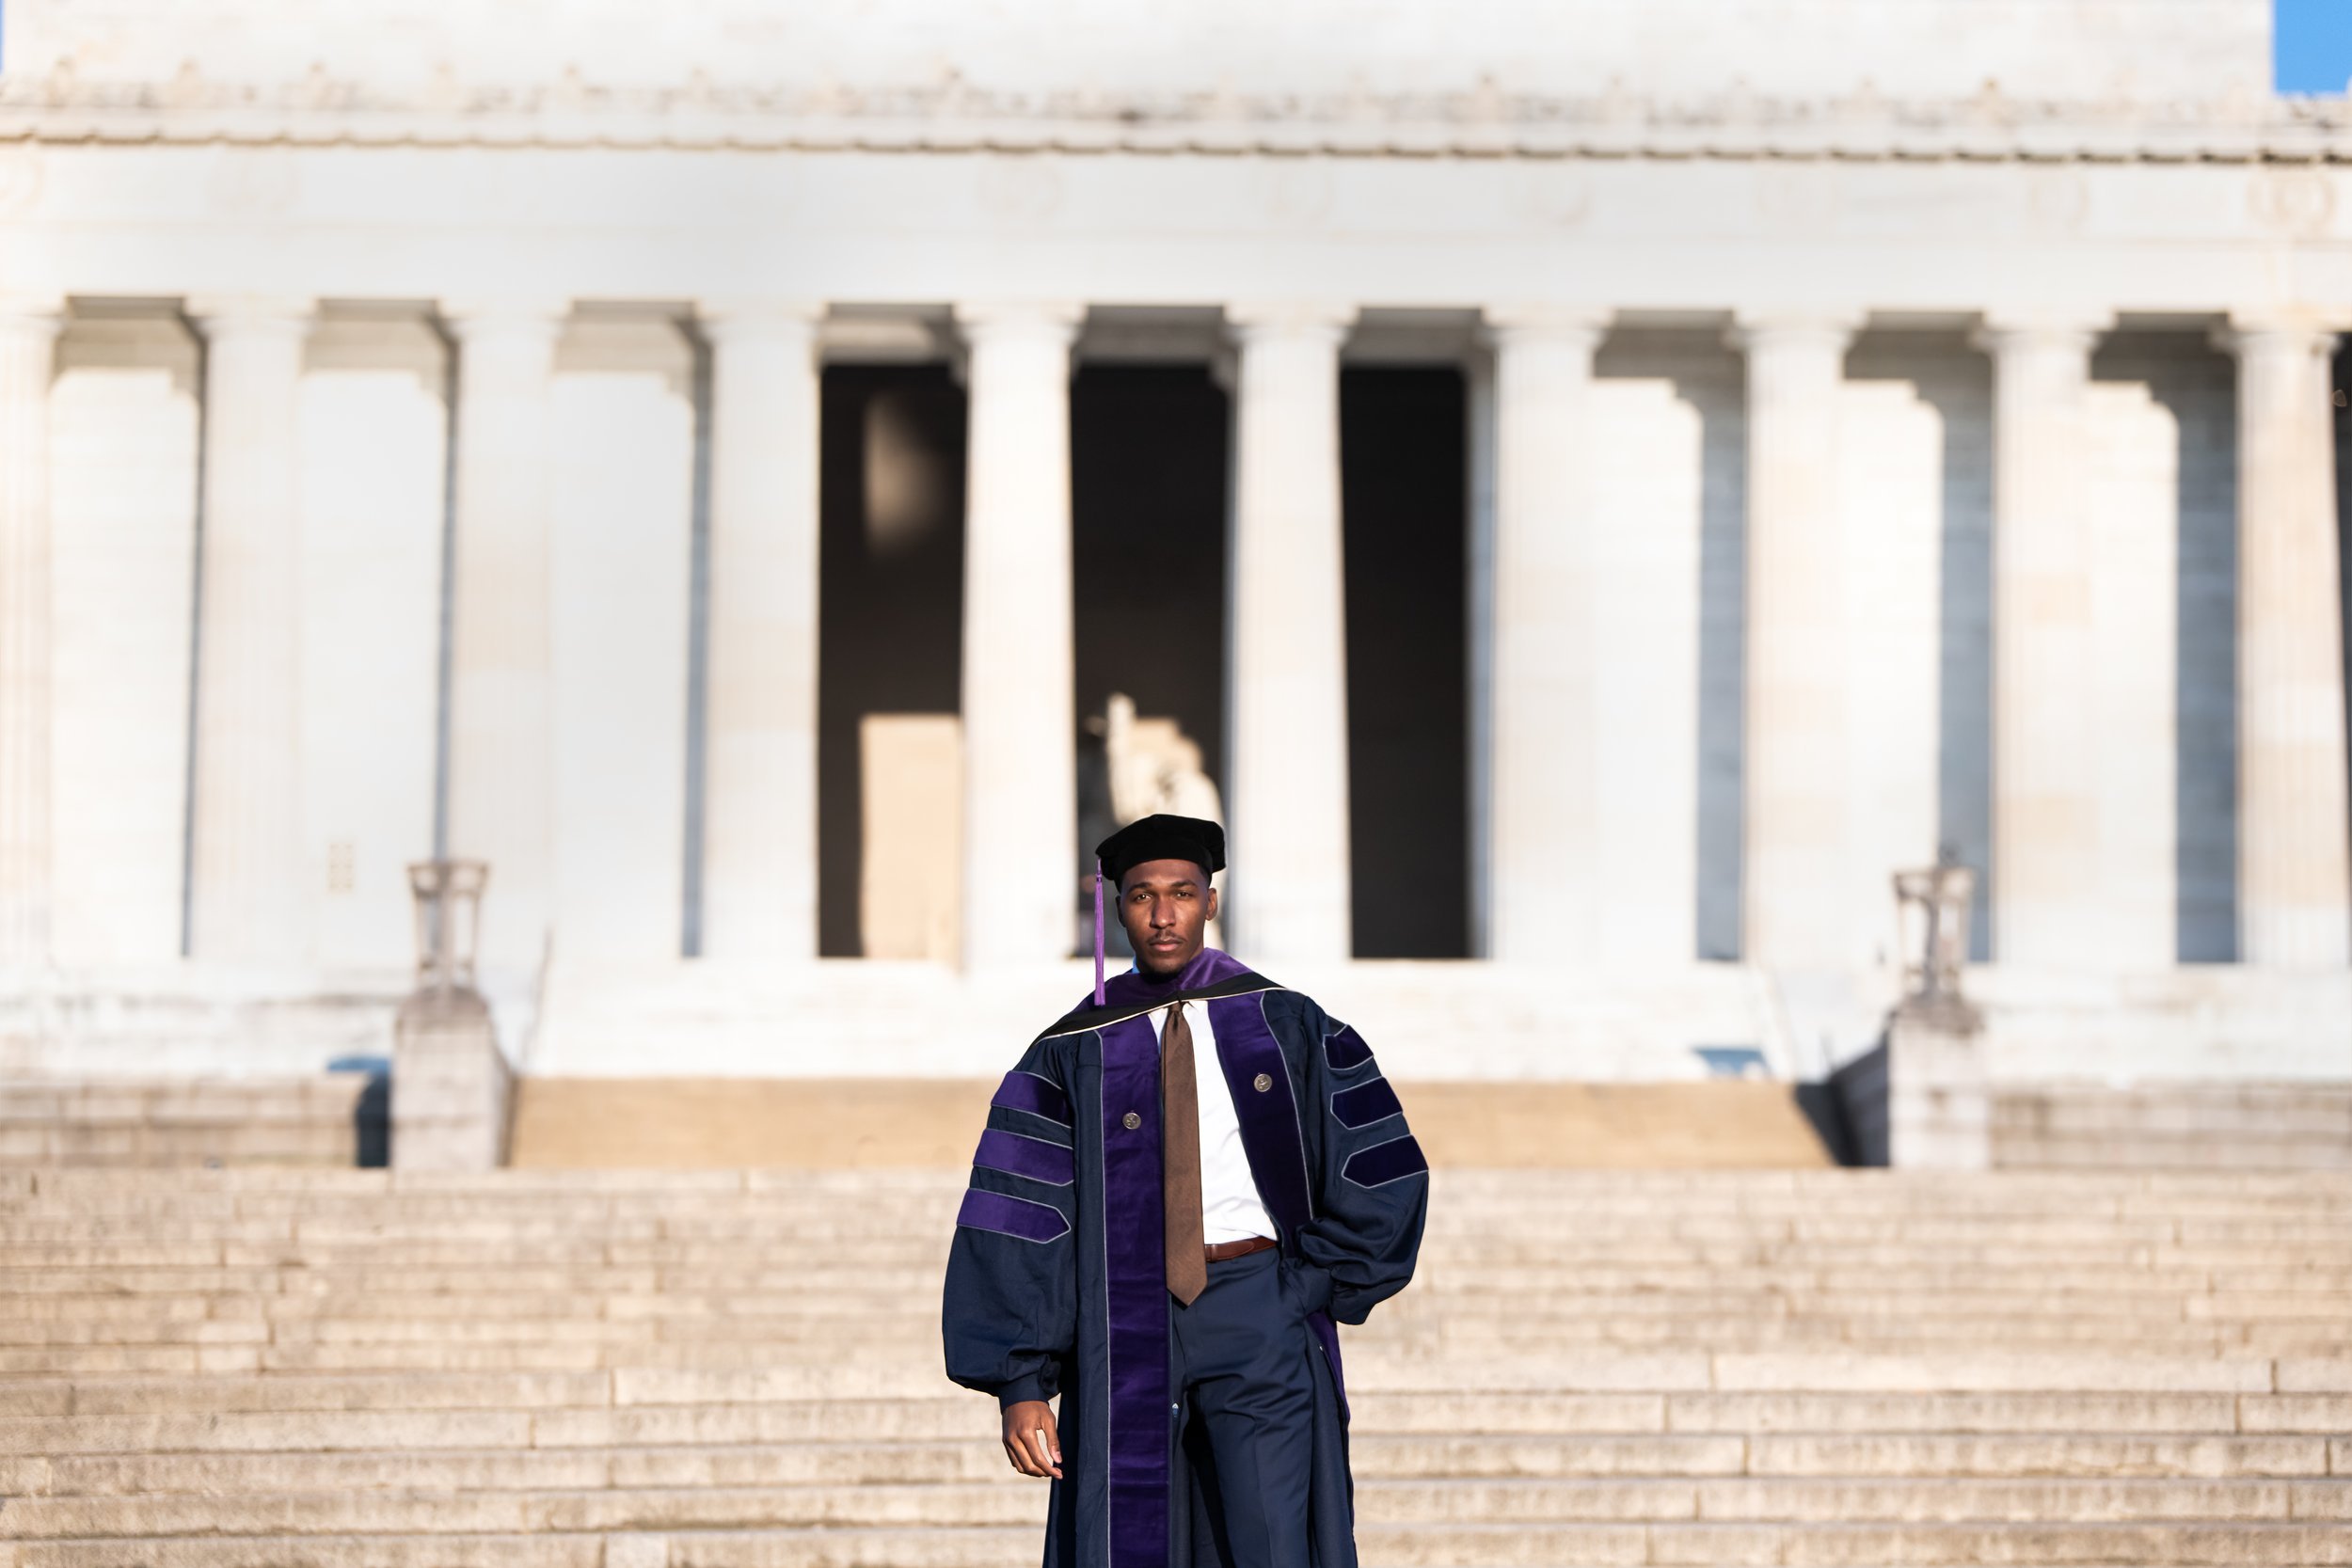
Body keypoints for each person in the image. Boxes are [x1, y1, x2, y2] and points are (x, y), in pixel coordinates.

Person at [942, 812, 1428, 1568]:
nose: (1163, 914)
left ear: (1209, 900)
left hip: (1257, 1304)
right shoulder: (1068, 1050)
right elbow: (1023, 1216)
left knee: (1273, 1542)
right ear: (1117, 906)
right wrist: (1020, 1381)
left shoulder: (1287, 1022)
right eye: (1141, 896)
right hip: (1121, 1318)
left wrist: (1303, 1287)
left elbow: (1382, 1166)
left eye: (1181, 893)